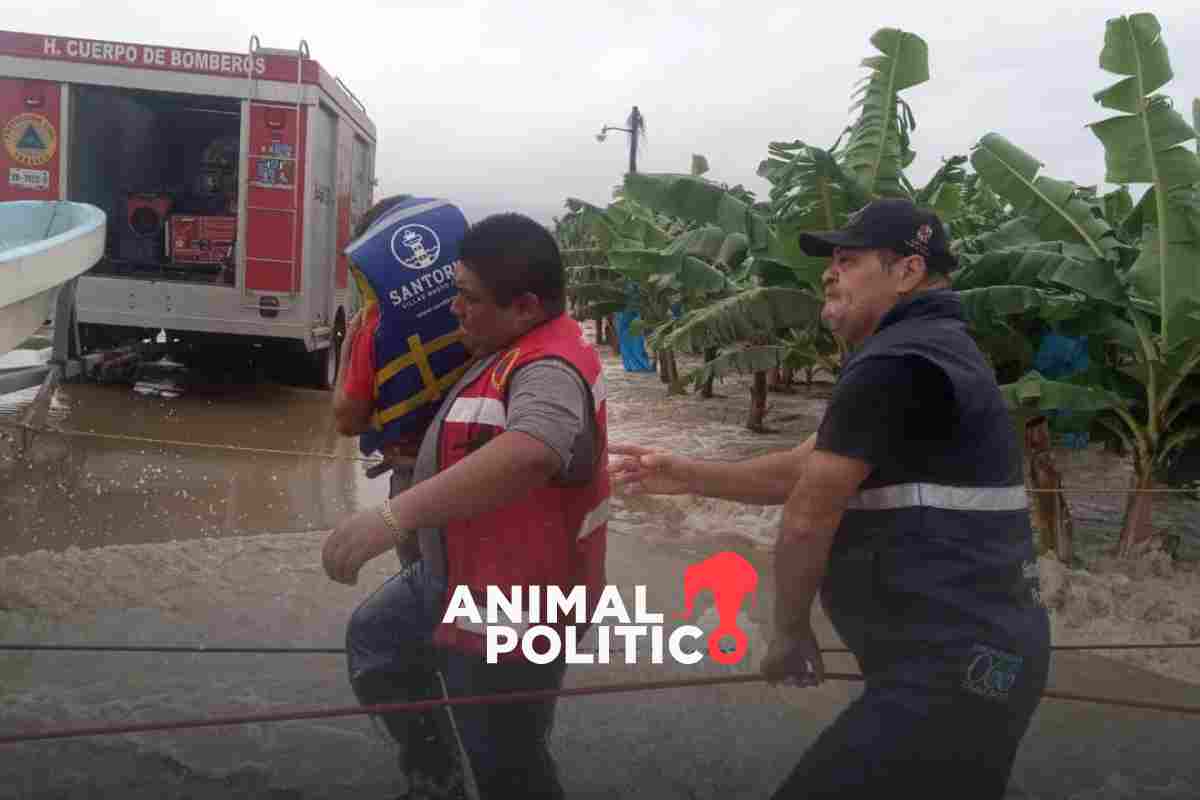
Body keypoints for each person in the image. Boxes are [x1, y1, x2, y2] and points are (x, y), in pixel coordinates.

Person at [610, 198, 1050, 799]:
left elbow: (806, 516)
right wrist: (686, 472)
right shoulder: (931, 347)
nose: (827, 272)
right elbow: (804, 470)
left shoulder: (897, 362)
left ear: (907, 272)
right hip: (980, 657)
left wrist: (788, 633)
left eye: (847, 260)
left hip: (949, 670)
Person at [324, 211, 610, 799]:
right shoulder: (508, 344)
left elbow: (534, 448)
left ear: (526, 306)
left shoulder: (547, 364)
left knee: (509, 763)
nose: (454, 309)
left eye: (468, 298)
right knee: (376, 645)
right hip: (459, 574)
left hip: (510, 605)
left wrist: (392, 517)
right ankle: (437, 782)